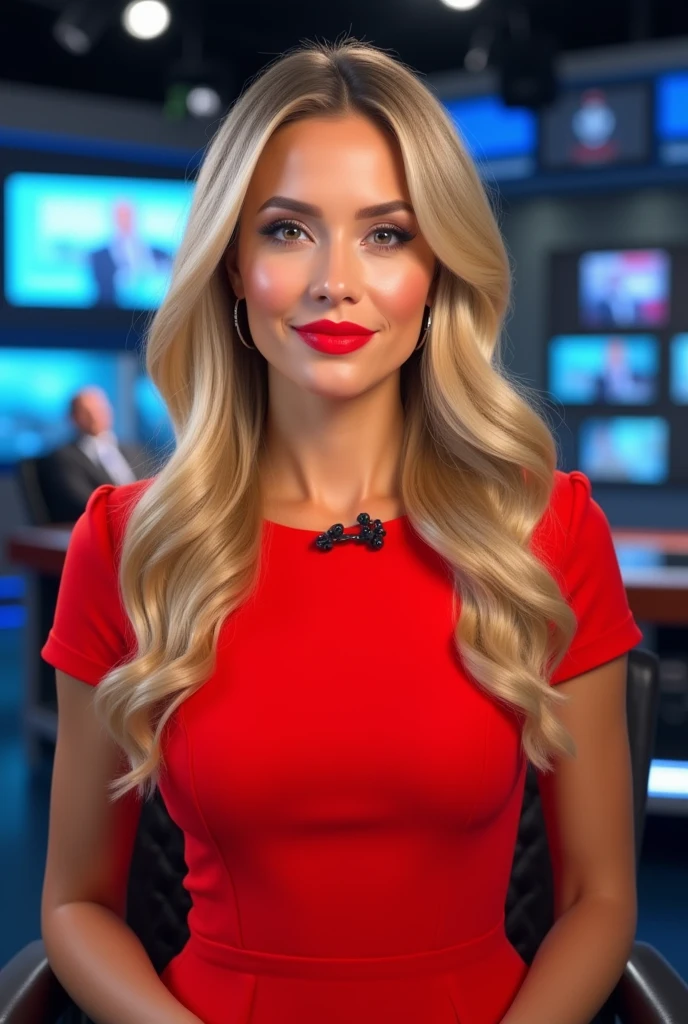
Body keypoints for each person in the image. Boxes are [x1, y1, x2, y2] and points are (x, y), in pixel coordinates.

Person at [40, 37, 644, 1024]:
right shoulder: (129, 542)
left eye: (386, 234)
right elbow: (74, 901)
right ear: (232, 265)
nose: (335, 281)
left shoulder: (546, 529)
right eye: (286, 231)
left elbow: (597, 899)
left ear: (438, 265)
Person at [39, 386, 148, 523]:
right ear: (73, 417)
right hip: (103, 525)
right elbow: (82, 501)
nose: (95, 416)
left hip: (143, 522)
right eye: (86, 412)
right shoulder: (63, 457)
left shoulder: (132, 450)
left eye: (100, 409)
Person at [88, 200, 173, 307]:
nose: (125, 221)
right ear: (114, 219)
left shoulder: (160, 253)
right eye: (121, 216)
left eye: (128, 216)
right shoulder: (99, 256)